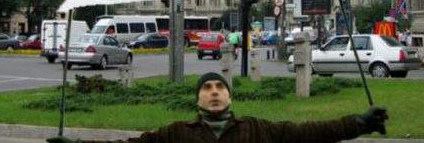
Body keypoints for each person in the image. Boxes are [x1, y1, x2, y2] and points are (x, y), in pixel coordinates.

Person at [47, 72, 388, 143]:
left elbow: (309, 132)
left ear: (229, 96)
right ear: (197, 99)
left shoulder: (257, 129)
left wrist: (359, 122)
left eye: (219, 87)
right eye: (207, 88)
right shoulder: (175, 134)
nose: (213, 92)